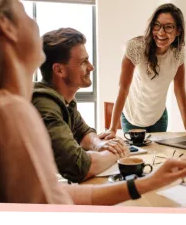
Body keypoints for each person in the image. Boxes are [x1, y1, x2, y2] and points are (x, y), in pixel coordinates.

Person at [0, 0, 186, 208]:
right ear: (6, 26)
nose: (91, 67)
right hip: (133, 117)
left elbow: (57, 192)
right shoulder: (14, 109)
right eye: (24, 12)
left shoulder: (55, 102)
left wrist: (147, 182)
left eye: (169, 28)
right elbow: (79, 168)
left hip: (156, 115)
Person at [30, 27, 129, 184]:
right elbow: (78, 167)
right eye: (83, 62)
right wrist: (117, 153)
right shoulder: (45, 104)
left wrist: (100, 144)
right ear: (59, 70)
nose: (91, 67)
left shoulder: (64, 101)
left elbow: (83, 132)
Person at [98, 3, 186, 140]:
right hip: (133, 117)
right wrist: (112, 128)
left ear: (178, 31)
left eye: (168, 27)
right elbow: (123, 88)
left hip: (159, 116)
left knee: (158, 157)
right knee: (137, 157)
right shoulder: (136, 47)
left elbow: (179, 89)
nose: (160, 32)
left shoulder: (178, 52)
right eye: (157, 25)